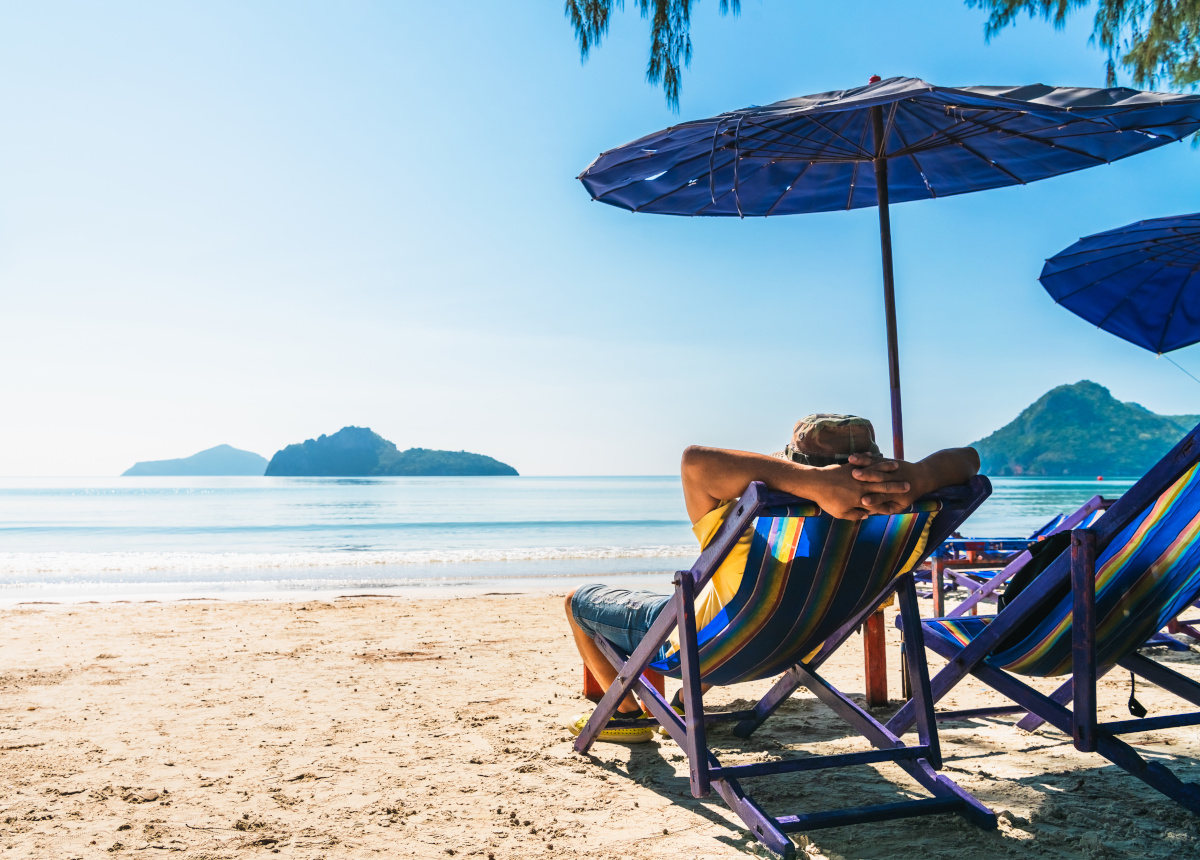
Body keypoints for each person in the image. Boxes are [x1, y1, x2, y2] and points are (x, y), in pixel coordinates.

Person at [565, 414, 981, 742]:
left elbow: (694, 461)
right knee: (748, 608)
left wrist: (814, 484)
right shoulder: (896, 528)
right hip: (792, 647)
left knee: (577, 600)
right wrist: (918, 479)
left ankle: (625, 717)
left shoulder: (754, 521)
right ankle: (683, 701)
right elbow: (969, 460)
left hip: (706, 650)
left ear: (792, 467)